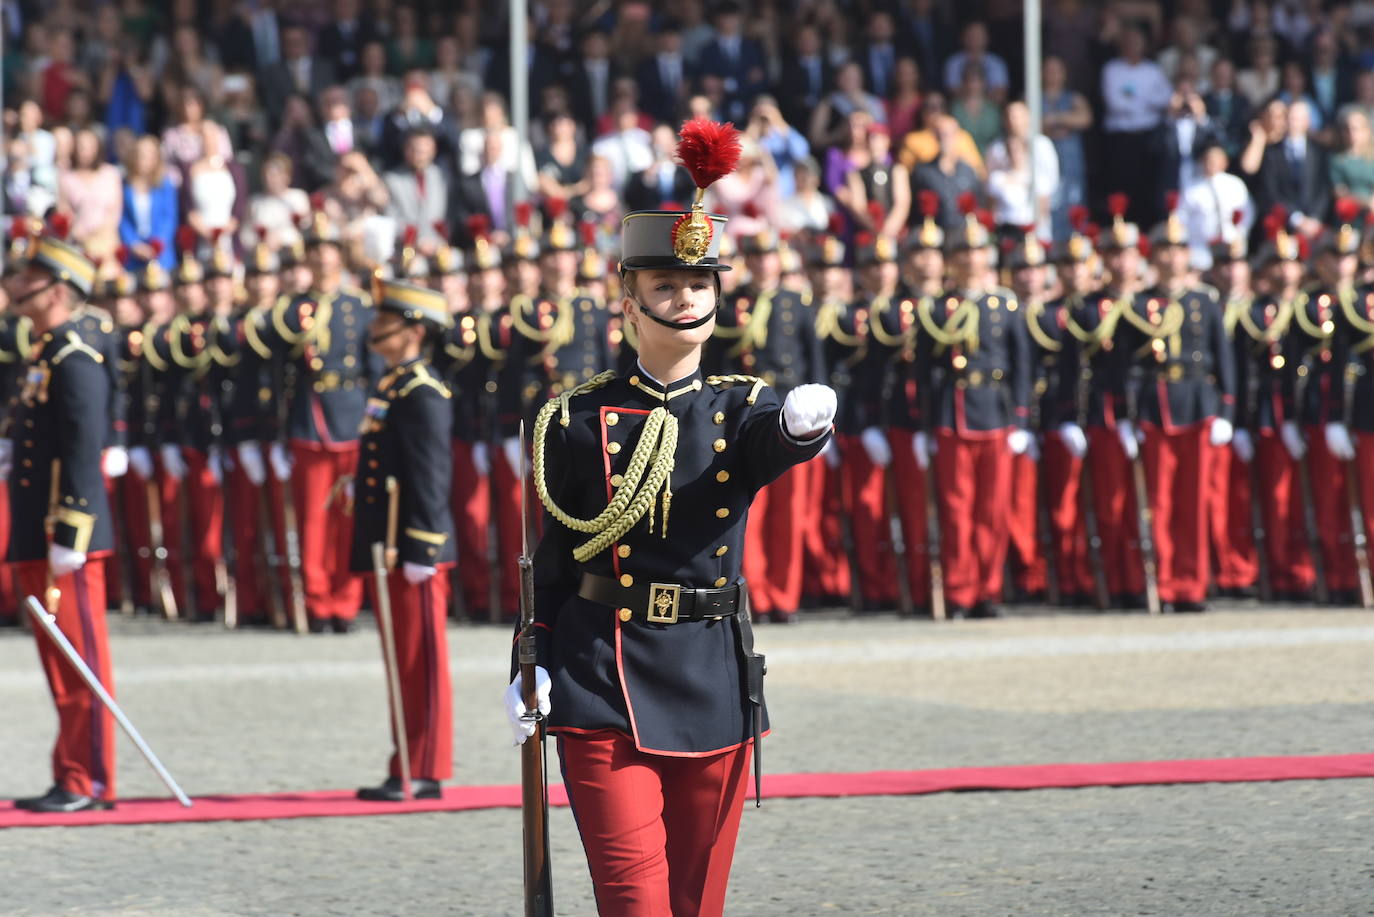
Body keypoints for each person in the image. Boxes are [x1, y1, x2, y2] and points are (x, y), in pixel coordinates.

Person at [504, 118, 835, 916]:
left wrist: (802, 428)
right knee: (635, 901)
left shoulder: (743, 406)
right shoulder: (575, 419)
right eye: (664, 286)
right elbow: (550, 558)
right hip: (600, 677)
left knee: (697, 903)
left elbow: (771, 445)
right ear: (630, 302)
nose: (684, 297)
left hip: (710, 673)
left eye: (697, 285)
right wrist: (531, 655)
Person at [5, 233, 116, 813]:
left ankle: (89, 779)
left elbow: (82, 449)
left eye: (28, 279)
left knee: (81, 665)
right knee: (58, 662)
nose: (16, 287)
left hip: (63, 535)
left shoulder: (74, 358)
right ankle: (69, 771)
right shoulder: (45, 353)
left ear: (55, 289)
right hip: (37, 531)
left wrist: (70, 531)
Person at [351, 278, 455, 802]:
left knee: (422, 662)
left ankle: (427, 768)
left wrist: (424, 547)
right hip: (390, 545)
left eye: (384, 320)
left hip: (413, 547)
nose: (373, 328)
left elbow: (431, 477)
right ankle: (405, 763)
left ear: (412, 330)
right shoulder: (394, 385)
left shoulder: (422, 392)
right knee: (402, 661)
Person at [262, 206, 379, 631]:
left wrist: (375, 422)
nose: (323, 257)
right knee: (312, 521)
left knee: (348, 519)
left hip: (352, 416)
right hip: (310, 420)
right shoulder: (291, 310)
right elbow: (277, 373)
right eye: (315, 249)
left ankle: (345, 603)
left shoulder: (360, 306)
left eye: (329, 248)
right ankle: (316, 602)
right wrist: (277, 431)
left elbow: (376, 370)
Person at [912, 202, 1031, 617]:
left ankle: (988, 589)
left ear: (987, 256)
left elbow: (1021, 366)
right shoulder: (935, 309)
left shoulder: (1005, 306)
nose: (969, 259)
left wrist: (1020, 419)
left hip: (995, 414)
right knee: (957, 510)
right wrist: (923, 426)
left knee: (992, 510)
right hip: (952, 414)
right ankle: (960, 592)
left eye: (976, 250)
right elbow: (924, 372)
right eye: (961, 252)